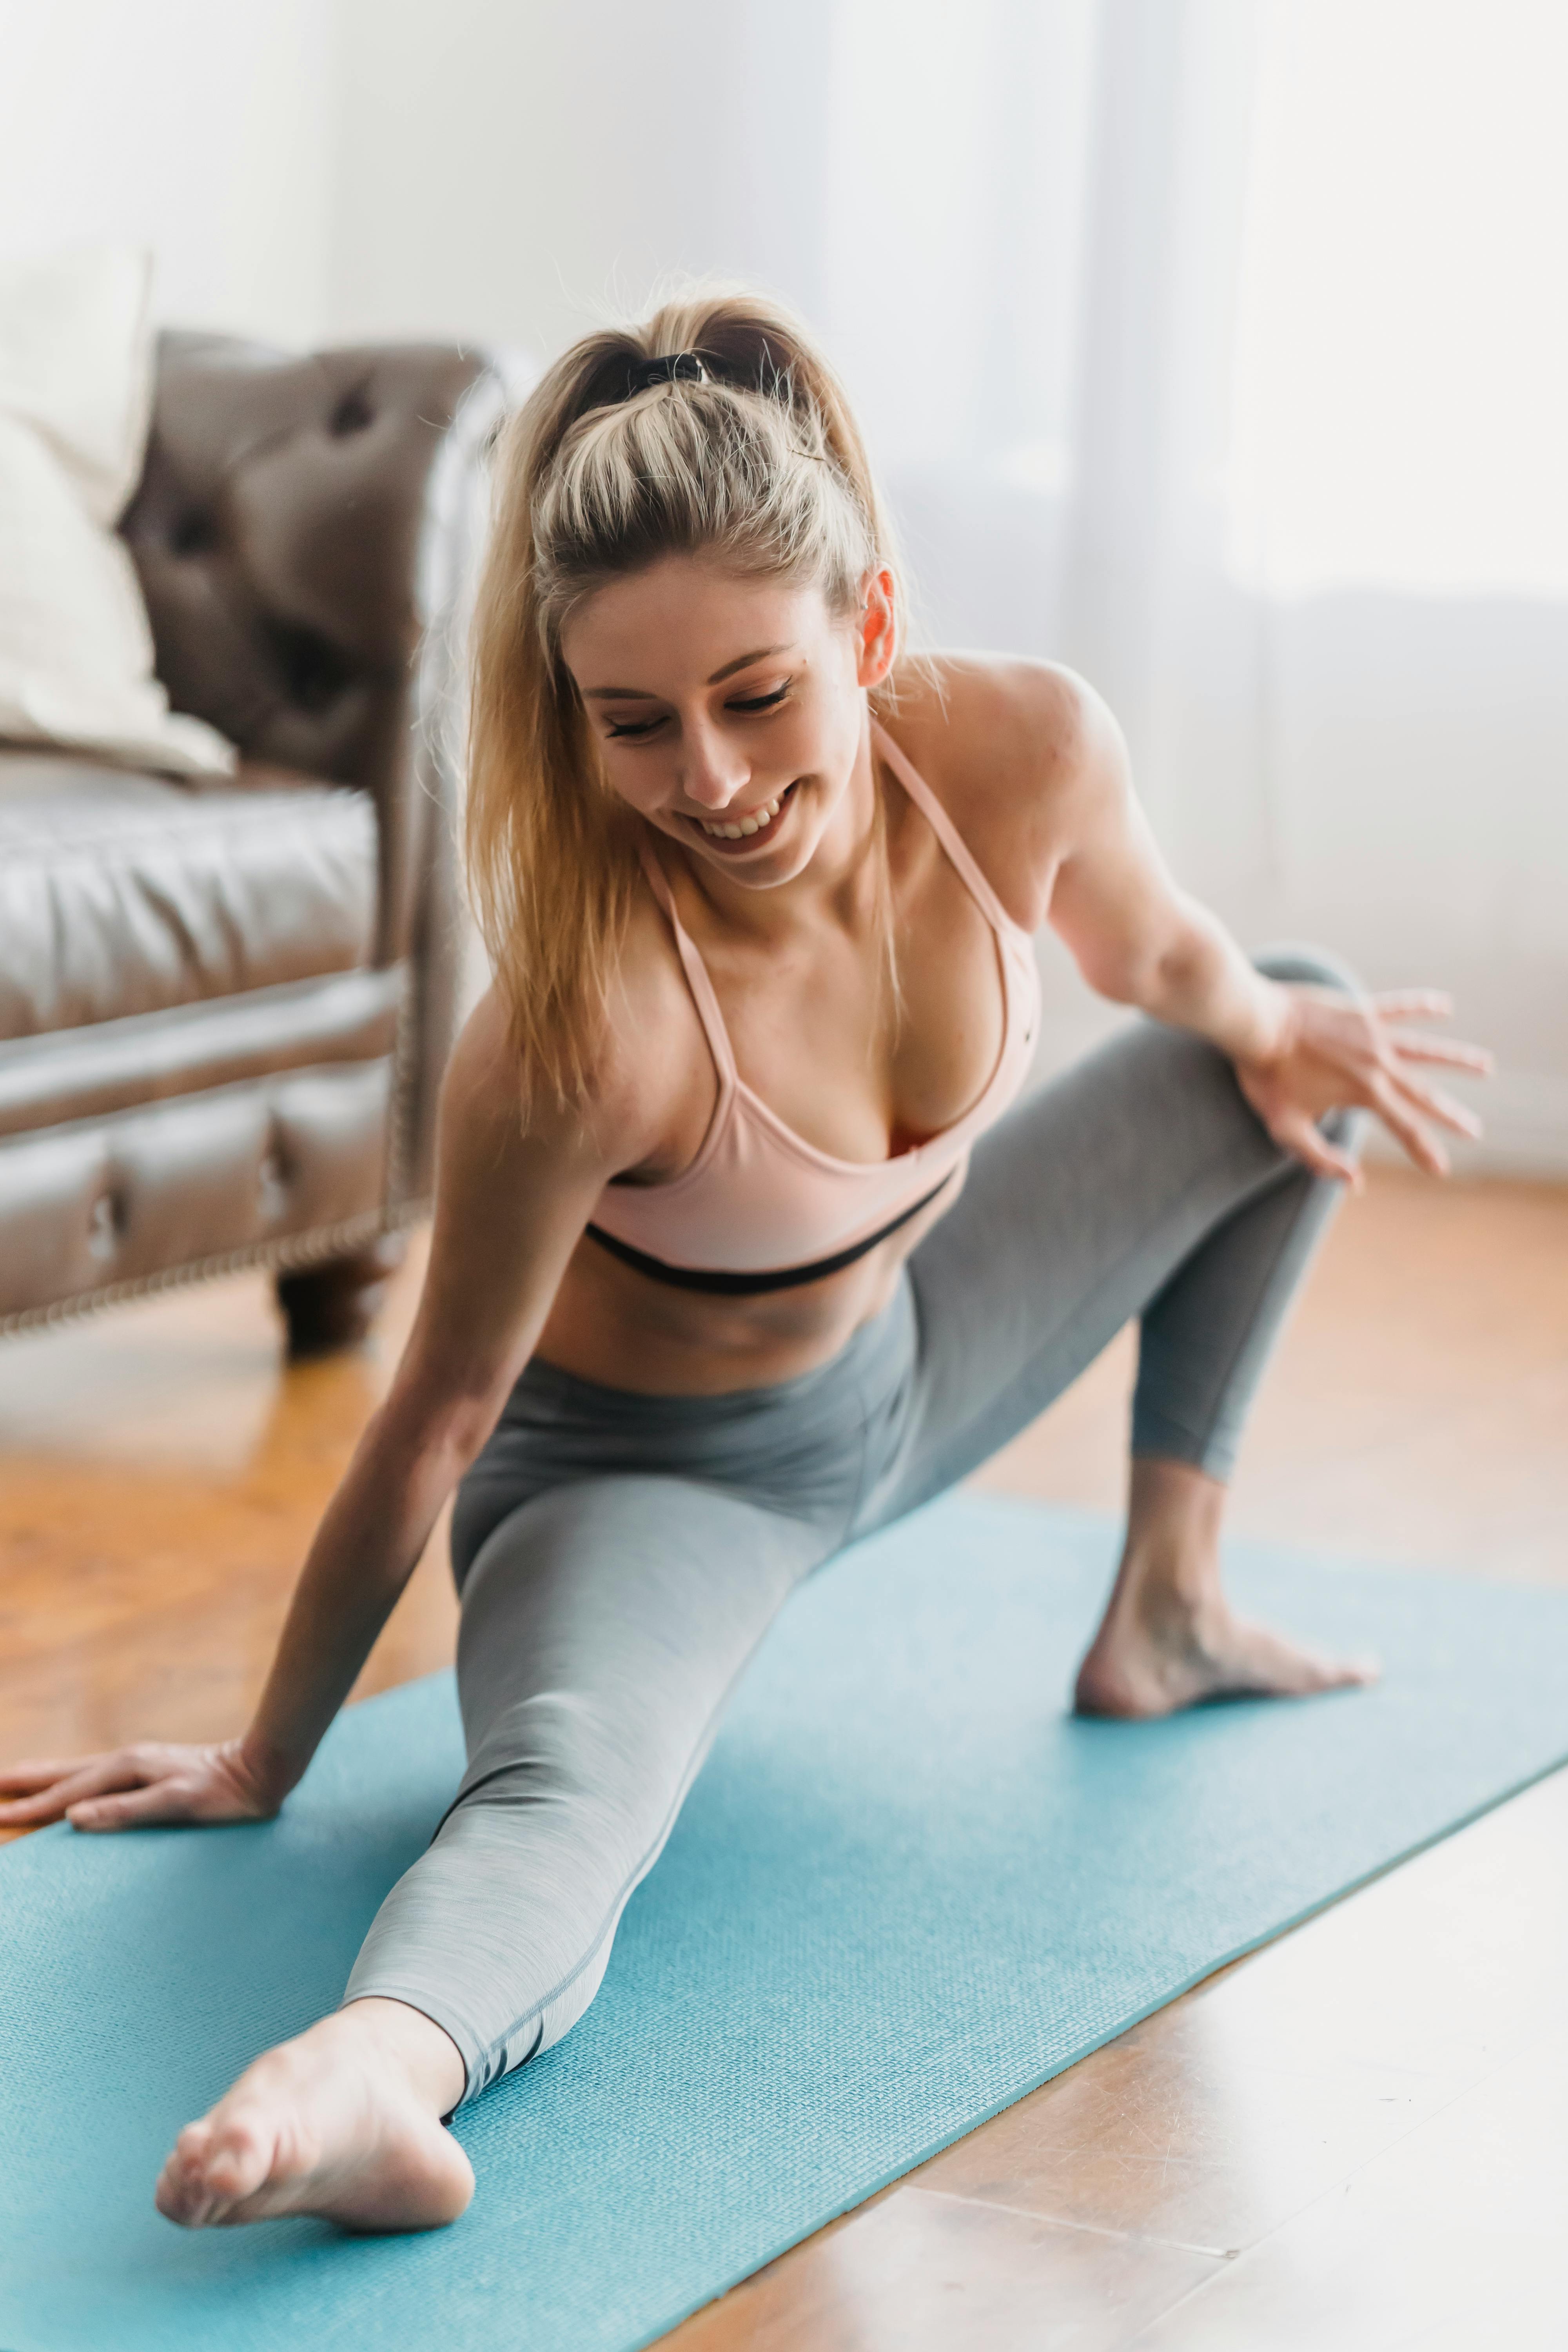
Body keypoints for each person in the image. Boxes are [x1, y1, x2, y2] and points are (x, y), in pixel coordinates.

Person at [0, 292, 1488, 2236]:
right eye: (633, 723)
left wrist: (1269, 1020)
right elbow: (436, 1419)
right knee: (567, 1803)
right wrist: (266, 1755)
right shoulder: (576, 1021)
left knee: (1294, 1030)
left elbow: (1172, 966)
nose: (705, 776)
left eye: (756, 695)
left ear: (867, 633)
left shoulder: (1021, 750)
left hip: (914, 1355)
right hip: (646, 1480)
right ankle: (369, 2073)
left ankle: (1168, 1607)